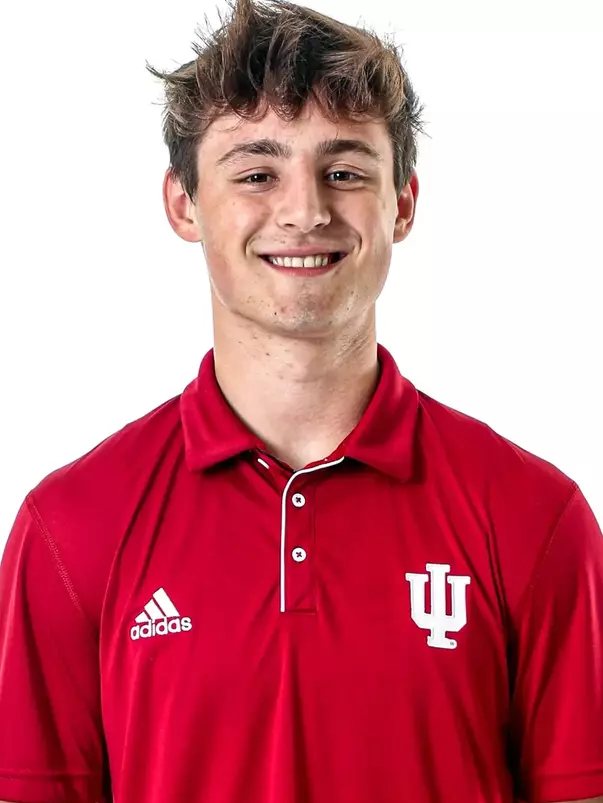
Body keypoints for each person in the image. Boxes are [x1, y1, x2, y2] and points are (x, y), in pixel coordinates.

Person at [1, 0, 602, 800]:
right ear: (183, 203)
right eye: (256, 172)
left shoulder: (533, 517)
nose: (304, 210)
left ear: (402, 202)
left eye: (344, 171)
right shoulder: (72, 529)